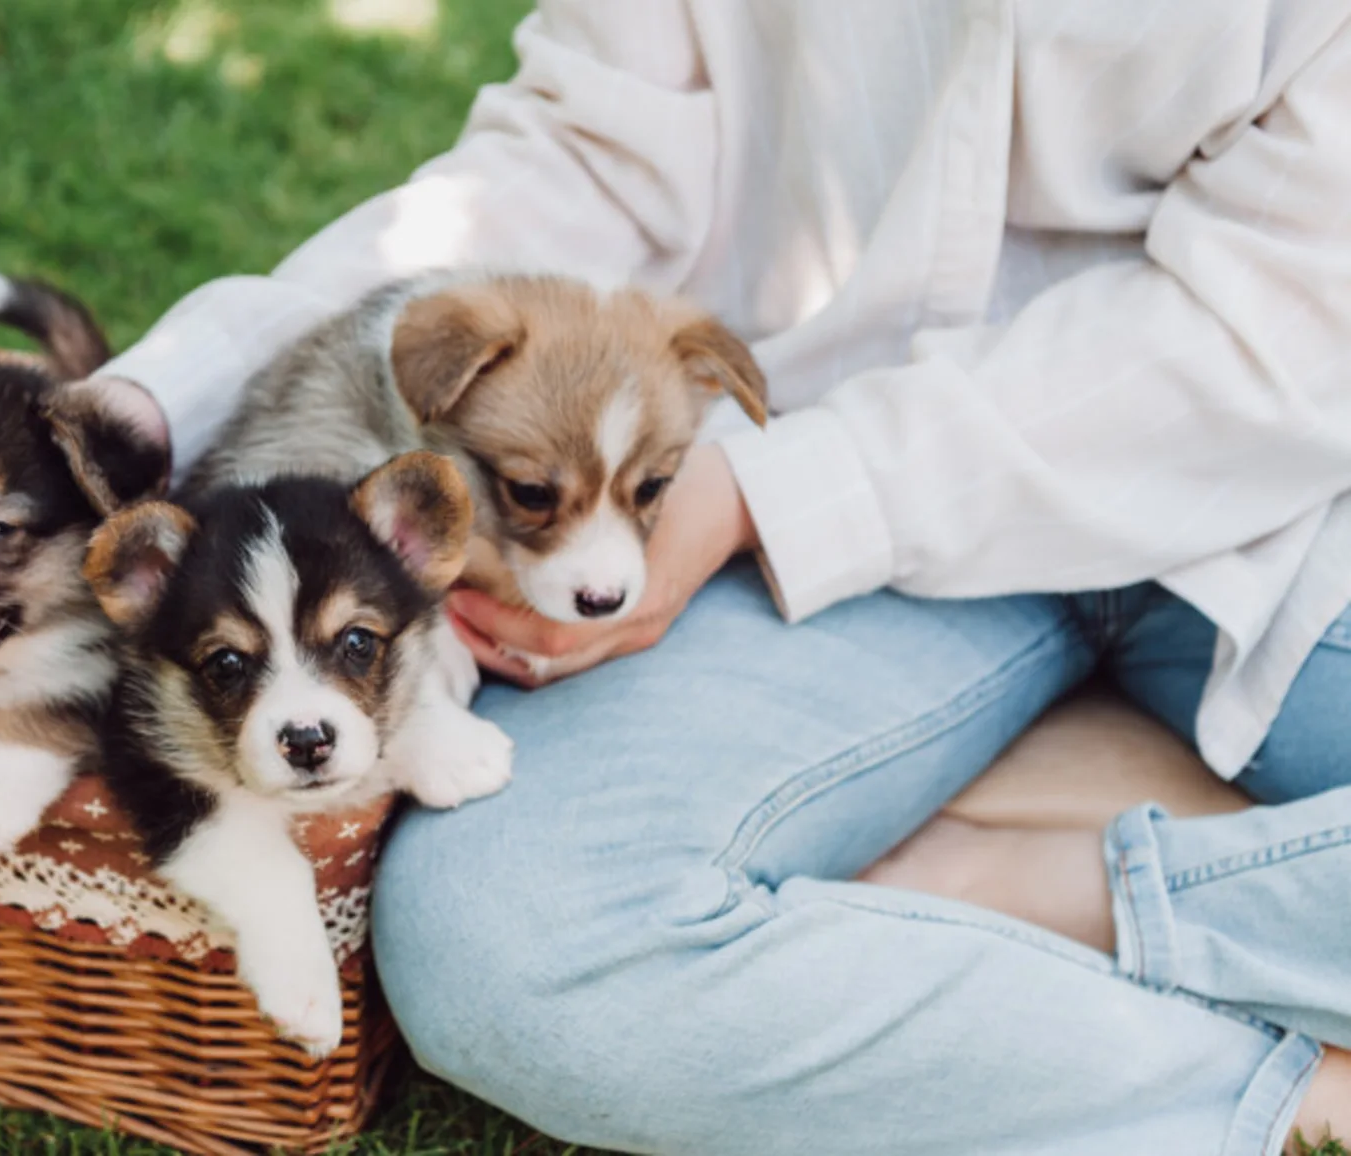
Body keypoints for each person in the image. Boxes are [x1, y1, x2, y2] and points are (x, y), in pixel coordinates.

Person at [85, 4, 1351, 1153]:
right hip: (799, 524)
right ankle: (1291, 1097)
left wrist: (773, 492)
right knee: (516, 942)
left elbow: (1296, 311)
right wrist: (162, 404)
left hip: (1267, 511)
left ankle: (1007, 882)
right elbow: (577, 158)